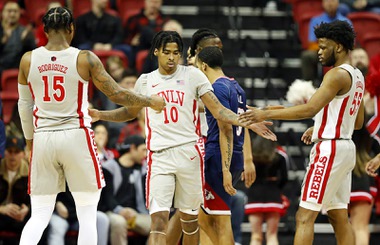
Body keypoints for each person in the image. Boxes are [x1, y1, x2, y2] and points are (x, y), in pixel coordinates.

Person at [89, 30, 272, 245]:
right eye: (166, 52)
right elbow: (128, 112)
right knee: (158, 221)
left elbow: (217, 109)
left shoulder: (193, 76)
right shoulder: (145, 81)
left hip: (189, 154)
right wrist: (101, 115)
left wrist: (244, 120)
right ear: (156, 52)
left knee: (190, 223)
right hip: (159, 156)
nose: (171, 57)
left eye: (176, 53)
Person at [17, 7, 165, 245]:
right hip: (76, 136)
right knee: (88, 216)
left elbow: (24, 107)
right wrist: (149, 101)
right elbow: (116, 93)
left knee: (39, 216)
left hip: (43, 137)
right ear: (71, 29)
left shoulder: (27, 60)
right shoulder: (85, 58)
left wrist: (29, 143)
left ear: (44, 30)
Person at [239, 20, 365, 245]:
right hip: (346, 149)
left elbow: (308, 109)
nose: (319, 52)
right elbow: (357, 123)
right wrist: (321, 126)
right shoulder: (357, 76)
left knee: (304, 216)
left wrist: (265, 113)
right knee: (338, 217)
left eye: (323, 46)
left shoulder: (335, 75)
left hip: (330, 149)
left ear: (338, 46)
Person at [195, 46, 257, 245]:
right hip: (234, 154)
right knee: (204, 217)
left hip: (219, 156)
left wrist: (224, 168)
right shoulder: (237, 87)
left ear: (203, 66)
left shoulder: (217, 88)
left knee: (219, 220)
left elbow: (226, 129)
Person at [99, 135, 151, 245]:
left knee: (158, 225)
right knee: (119, 223)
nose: (145, 155)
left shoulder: (142, 169)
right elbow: (107, 197)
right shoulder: (109, 167)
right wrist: (120, 210)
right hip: (113, 211)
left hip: (136, 214)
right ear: (132, 148)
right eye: (143, 150)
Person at [244, 135, 289, 245]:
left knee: (255, 236)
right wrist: (277, 186)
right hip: (273, 193)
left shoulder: (250, 153)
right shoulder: (279, 153)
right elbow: (285, 177)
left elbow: (243, 175)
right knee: (272, 235)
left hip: (255, 193)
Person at [300, 0, 351, 86]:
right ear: (323, 3)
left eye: (333, 1)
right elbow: (312, 43)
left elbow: (350, 43)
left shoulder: (346, 21)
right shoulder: (316, 20)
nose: (330, 3)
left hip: (339, 52)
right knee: (307, 55)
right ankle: (309, 85)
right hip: (320, 50)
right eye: (327, 1)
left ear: (338, 3)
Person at [349, 127, 376, 245]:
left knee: (342, 227)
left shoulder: (336, 127)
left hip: (340, 175)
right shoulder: (369, 131)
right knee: (360, 227)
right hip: (362, 176)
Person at [0, 136, 30, 245]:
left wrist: (26, 209)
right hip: (1, 214)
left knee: (41, 227)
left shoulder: (30, 173)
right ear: (4, 152)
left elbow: (35, 199)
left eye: (17, 152)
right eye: (10, 151)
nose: (13, 156)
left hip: (19, 216)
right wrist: (2, 209)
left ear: (23, 154)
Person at [124, 0, 169, 68]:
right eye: (151, 1)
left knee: (147, 31)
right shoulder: (134, 19)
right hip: (140, 46)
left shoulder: (166, 20)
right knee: (145, 32)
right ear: (145, 2)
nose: (153, 5)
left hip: (158, 48)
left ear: (161, 3)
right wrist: (131, 41)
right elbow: (125, 37)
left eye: (156, 2)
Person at [0, 1, 35, 80]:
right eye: (9, 11)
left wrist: (26, 41)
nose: (12, 14)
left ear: (19, 14)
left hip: (18, 75)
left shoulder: (25, 33)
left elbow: (32, 57)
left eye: (15, 11)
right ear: (3, 13)